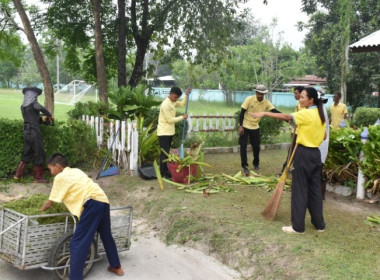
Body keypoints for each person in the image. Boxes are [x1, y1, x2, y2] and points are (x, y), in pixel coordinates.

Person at [251, 87, 326, 234]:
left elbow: (287, 117)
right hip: (316, 154)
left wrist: (265, 113)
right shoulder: (320, 114)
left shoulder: (307, 113)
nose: (300, 99)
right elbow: (323, 137)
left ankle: (298, 227)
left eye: (303, 97)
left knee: (300, 189)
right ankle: (319, 225)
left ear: (311, 99)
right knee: (315, 190)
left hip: (304, 153)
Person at [41, 153, 124, 279]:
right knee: (106, 234)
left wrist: (40, 211)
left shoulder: (60, 177)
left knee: (77, 242)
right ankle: (116, 266)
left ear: (57, 166)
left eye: (50, 169)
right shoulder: (76, 171)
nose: (50, 171)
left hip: (92, 204)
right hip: (103, 200)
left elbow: (50, 201)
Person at [238, 84, 281, 175]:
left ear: (264, 94)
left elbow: (274, 111)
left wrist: (286, 116)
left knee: (256, 147)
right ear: (256, 93)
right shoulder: (249, 99)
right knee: (243, 146)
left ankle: (256, 164)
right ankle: (245, 166)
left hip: (255, 127)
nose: (260, 95)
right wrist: (240, 126)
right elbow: (242, 113)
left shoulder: (266, 102)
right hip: (245, 125)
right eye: (259, 93)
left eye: (262, 94)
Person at [14, 87, 53, 183]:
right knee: (39, 154)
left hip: (26, 132)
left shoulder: (23, 107)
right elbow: (41, 108)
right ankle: (38, 177)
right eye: (35, 95)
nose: (36, 97)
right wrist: (49, 115)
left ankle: (17, 175)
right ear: (33, 95)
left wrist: (40, 118)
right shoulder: (34, 104)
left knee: (28, 153)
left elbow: (31, 118)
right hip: (34, 132)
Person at [157, 86, 191, 178]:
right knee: (164, 153)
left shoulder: (173, 102)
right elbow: (169, 120)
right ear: (171, 94)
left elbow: (183, 104)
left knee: (167, 153)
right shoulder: (165, 104)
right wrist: (182, 117)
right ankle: (162, 173)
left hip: (170, 132)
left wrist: (186, 95)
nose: (176, 99)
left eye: (177, 98)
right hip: (163, 132)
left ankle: (166, 171)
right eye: (175, 97)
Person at [278, 86, 305, 176]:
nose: (295, 95)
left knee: (296, 153)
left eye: (296, 93)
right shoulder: (298, 104)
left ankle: (289, 171)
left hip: (302, 133)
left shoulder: (304, 105)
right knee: (291, 152)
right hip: (296, 132)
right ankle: (284, 170)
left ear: (301, 93)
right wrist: (293, 129)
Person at [318, 91, 330, 200]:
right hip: (319, 146)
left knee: (318, 170)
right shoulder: (320, 110)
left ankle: (320, 194)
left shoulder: (321, 111)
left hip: (320, 146)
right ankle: (319, 194)